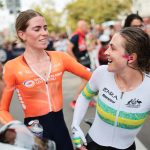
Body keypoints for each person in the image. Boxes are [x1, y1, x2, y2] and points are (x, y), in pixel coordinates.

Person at [0, 9, 92, 150]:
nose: (44, 33)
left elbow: (94, 79)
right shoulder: (12, 67)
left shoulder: (61, 58)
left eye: (45, 28)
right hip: (33, 133)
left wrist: (77, 121)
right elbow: (2, 110)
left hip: (61, 129)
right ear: (22, 34)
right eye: (37, 29)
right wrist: (20, 131)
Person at [71, 27, 150, 150]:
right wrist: (75, 125)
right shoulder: (101, 73)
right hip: (92, 144)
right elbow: (84, 96)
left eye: (112, 48)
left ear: (131, 58)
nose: (106, 52)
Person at [67, 20, 95, 109]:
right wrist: (75, 61)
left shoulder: (82, 37)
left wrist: (91, 47)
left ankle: (86, 100)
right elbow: (69, 49)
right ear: (81, 27)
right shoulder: (76, 36)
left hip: (86, 61)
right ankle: (74, 101)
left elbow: (82, 49)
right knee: (86, 80)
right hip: (81, 63)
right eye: (85, 26)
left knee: (88, 82)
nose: (87, 28)